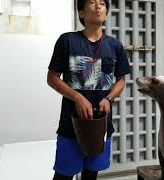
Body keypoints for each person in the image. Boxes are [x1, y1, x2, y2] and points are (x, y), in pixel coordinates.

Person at [47, 0, 131, 179]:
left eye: (102, 3)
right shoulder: (67, 40)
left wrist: (108, 99)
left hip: (101, 125)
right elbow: (52, 78)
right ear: (81, 14)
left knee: (91, 174)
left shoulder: (115, 46)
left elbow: (121, 81)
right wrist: (77, 97)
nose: (98, 6)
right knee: (63, 175)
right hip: (71, 125)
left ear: (107, 13)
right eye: (92, 2)